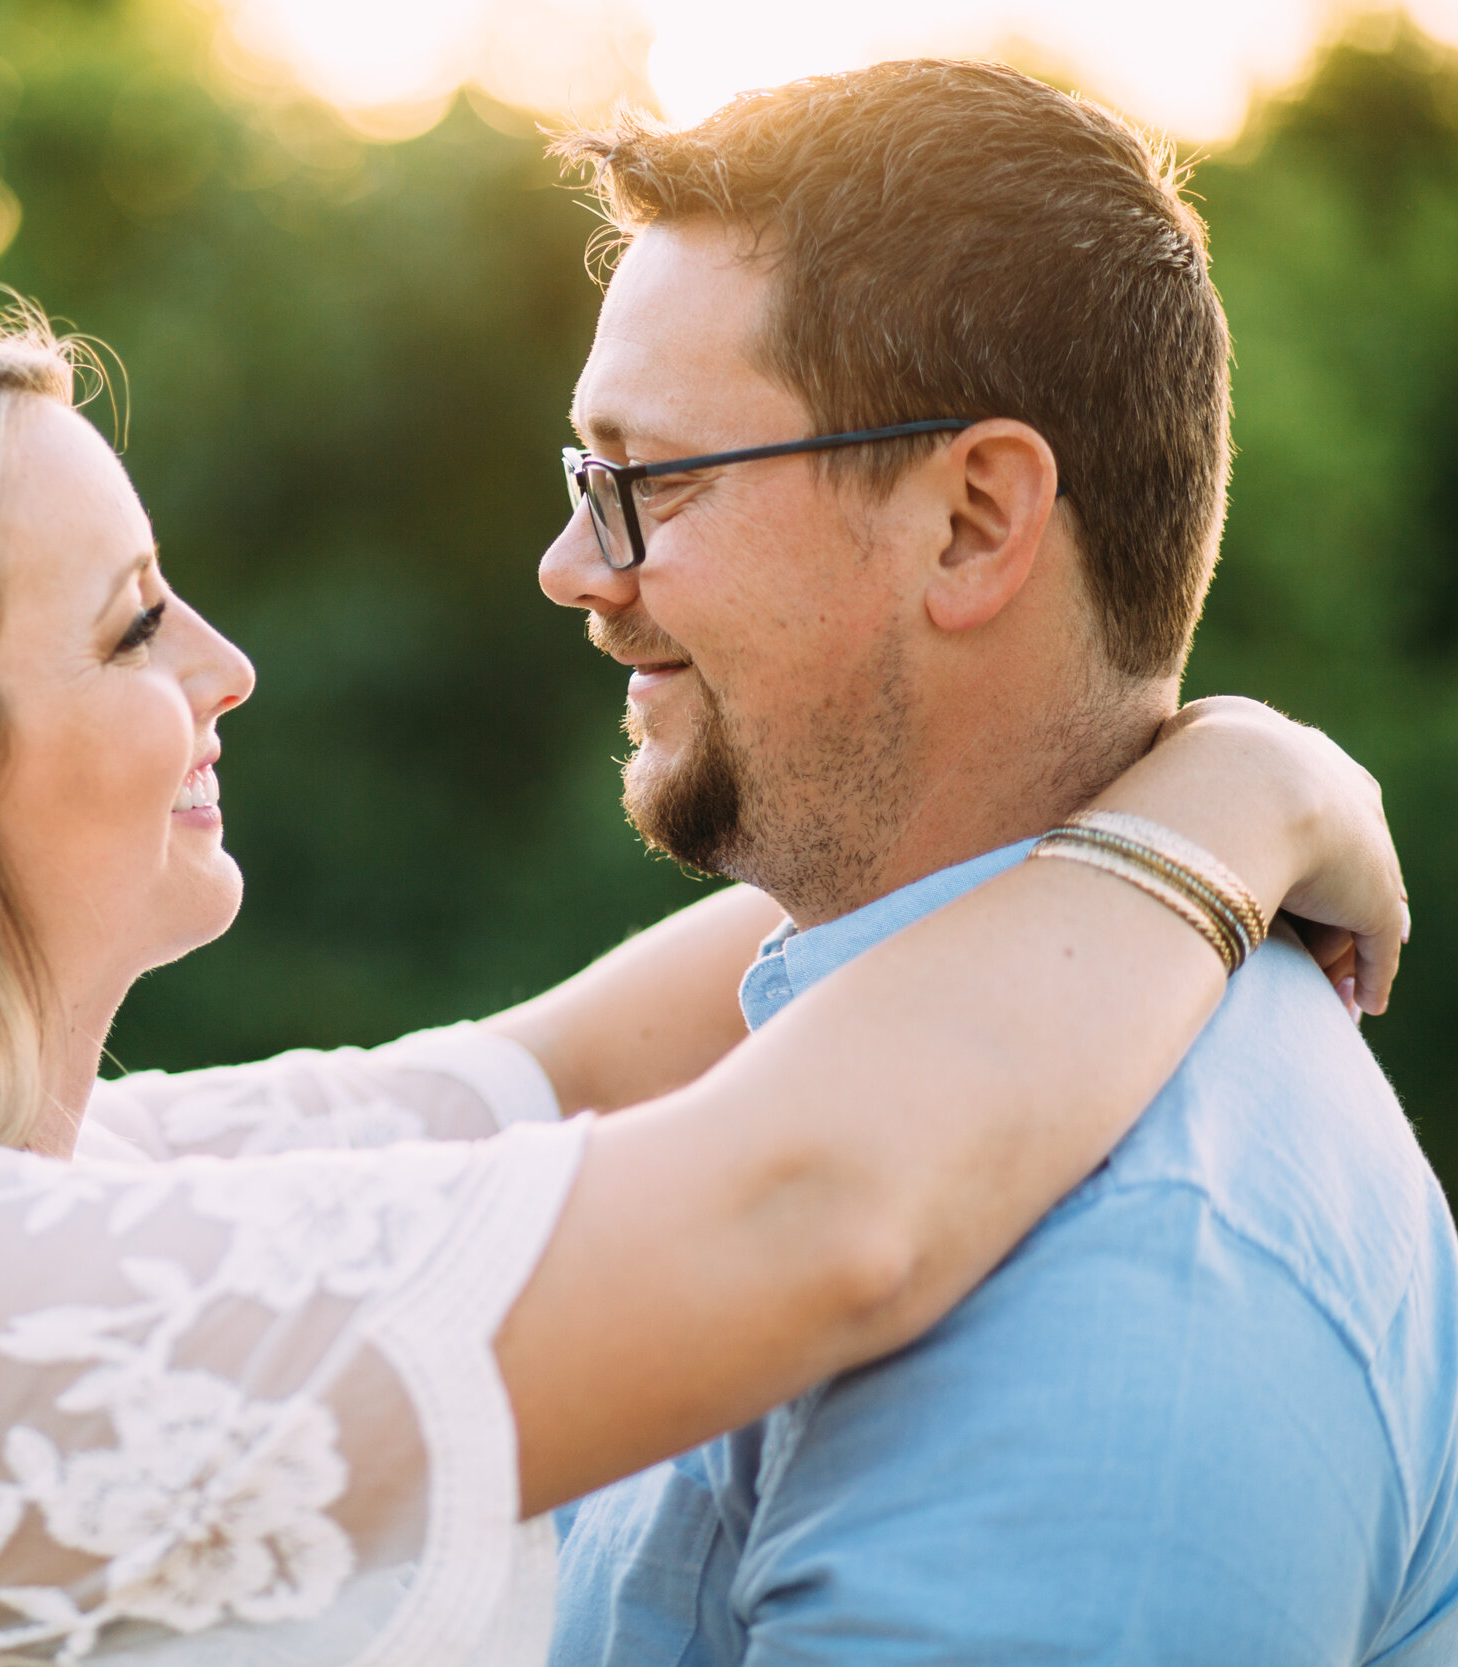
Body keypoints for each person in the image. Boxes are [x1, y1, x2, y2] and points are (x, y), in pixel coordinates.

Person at [0, 318, 1402, 1667]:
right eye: (125, 626)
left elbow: (594, 1046)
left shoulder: (70, 1191)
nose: (222, 664)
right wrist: (1247, 801)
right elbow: (813, 1212)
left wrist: (1126, 749)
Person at [538, 61, 1458, 1666]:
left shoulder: (1143, 1291)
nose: (572, 570)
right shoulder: (847, 1012)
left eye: (650, 481)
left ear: (972, 522)